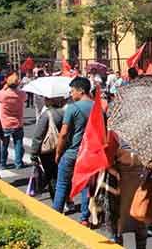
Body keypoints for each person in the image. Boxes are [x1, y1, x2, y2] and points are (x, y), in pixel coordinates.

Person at [53, 77, 93, 225]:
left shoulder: (73, 108)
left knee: (62, 183)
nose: (71, 94)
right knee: (86, 186)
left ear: (81, 91)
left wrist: (58, 153)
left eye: (72, 90)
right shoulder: (98, 108)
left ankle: (56, 213)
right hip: (88, 154)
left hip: (71, 152)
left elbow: (63, 134)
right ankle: (84, 218)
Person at [29, 96, 65, 200]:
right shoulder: (65, 112)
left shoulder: (46, 115)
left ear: (50, 100)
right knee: (60, 176)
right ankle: (67, 200)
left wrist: (33, 154)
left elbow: (38, 136)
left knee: (51, 177)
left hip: (49, 150)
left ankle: (57, 201)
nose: (44, 100)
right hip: (62, 147)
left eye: (46, 98)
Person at [0, 72, 27, 169]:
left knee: (4, 145)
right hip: (17, 122)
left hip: (5, 123)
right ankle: (18, 163)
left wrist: (4, 87)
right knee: (18, 144)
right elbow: (25, 96)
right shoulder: (21, 94)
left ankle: (2, 163)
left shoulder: (3, 94)